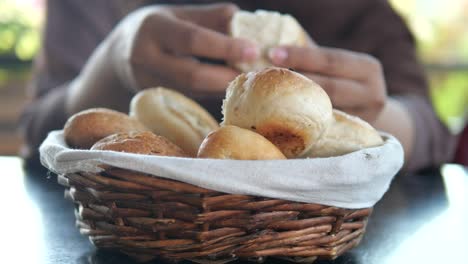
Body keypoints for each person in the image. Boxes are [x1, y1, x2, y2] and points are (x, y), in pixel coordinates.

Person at [20, 0, 458, 171]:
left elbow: (435, 135)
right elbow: (41, 129)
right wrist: (114, 61)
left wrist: (377, 116)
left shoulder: (360, 12)